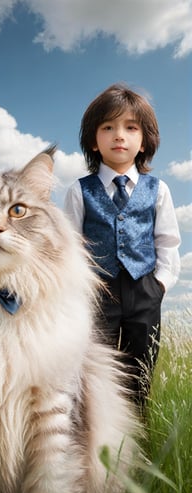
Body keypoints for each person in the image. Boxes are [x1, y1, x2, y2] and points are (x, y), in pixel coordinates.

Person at [64, 83, 181, 408]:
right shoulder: (79, 191)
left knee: (139, 375)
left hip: (145, 290)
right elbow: (70, 247)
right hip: (96, 292)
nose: (119, 135)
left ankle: (135, 448)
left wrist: (159, 285)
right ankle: (95, 445)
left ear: (144, 142)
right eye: (108, 127)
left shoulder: (158, 190)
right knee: (93, 373)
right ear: (93, 141)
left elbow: (168, 242)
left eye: (131, 128)